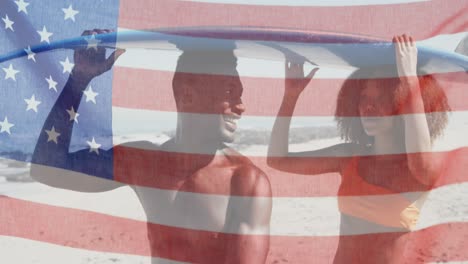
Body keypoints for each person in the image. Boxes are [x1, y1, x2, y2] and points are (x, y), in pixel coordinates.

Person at [31, 29, 272, 263]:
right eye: (230, 92)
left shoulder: (246, 183)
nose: (241, 107)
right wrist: (78, 79)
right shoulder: (145, 163)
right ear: (187, 96)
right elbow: (48, 168)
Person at [267, 34, 450, 263]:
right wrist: (291, 95)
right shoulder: (349, 157)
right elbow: (277, 159)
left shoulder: (420, 169)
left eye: (381, 97)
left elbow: (420, 156)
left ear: (401, 102)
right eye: (363, 97)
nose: (368, 107)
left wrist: (410, 81)